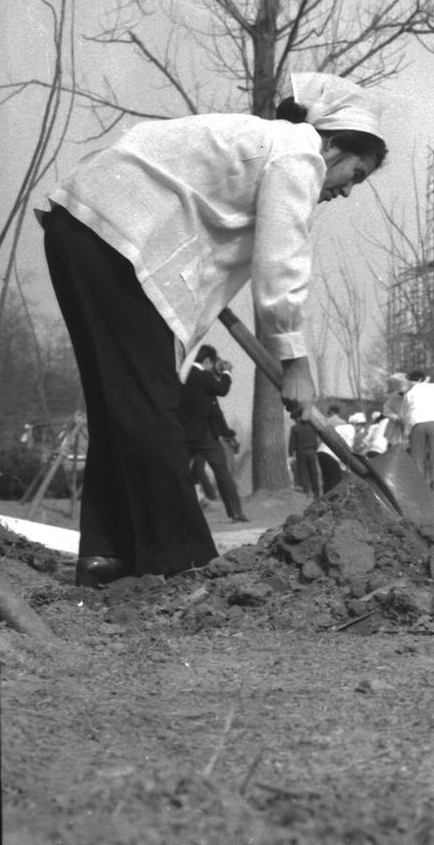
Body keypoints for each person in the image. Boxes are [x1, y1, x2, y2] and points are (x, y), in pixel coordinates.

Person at [40, 70, 387, 586]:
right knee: (149, 407)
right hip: (115, 240)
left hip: (80, 229)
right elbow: (282, 262)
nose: (348, 191)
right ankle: (182, 562)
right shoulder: (299, 151)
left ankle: (107, 553)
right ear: (334, 144)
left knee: (122, 406)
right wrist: (296, 362)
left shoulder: (259, 145)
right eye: (356, 174)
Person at [178, 344, 249, 522]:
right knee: (222, 473)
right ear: (207, 360)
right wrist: (226, 373)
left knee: (178, 472)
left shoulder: (181, 376)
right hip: (205, 435)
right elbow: (222, 390)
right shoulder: (202, 376)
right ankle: (235, 512)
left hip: (184, 435)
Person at [401, 370, 434, 503]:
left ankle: (419, 497)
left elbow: (405, 415)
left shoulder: (409, 393)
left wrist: (406, 434)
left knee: (418, 461)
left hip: (416, 423)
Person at [288, 417, 322, 497]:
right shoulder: (312, 427)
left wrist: (290, 453)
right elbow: (316, 439)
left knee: (302, 472)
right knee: (313, 472)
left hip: (301, 452)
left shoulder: (295, 428)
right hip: (312, 451)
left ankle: (305, 491)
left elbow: (292, 442)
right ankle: (316, 492)